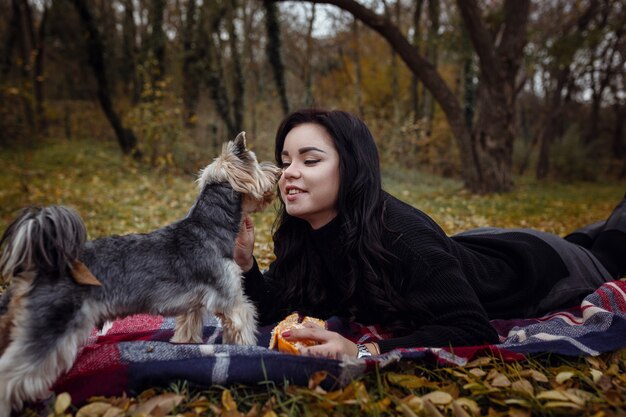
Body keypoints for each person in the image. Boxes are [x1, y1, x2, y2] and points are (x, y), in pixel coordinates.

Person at [234, 108, 626, 360]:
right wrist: (246, 264)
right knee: (592, 236)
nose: (289, 173)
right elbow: (274, 310)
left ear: (352, 168)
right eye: (285, 162)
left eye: (310, 160)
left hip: (541, 268)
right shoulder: (306, 234)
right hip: (480, 245)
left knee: (610, 251)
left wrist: (366, 349)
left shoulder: (402, 236)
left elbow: (473, 329)